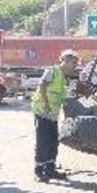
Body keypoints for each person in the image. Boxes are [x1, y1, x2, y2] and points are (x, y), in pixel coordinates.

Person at [32, 49, 79, 182]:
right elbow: (42, 86)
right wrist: (46, 104)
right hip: (43, 112)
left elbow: (62, 96)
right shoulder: (53, 71)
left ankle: (50, 168)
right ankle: (39, 170)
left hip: (52, 114)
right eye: (73, 63)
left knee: (53, 142)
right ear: (65, 60)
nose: (75, 66)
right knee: (43, 141)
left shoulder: (64, 77)